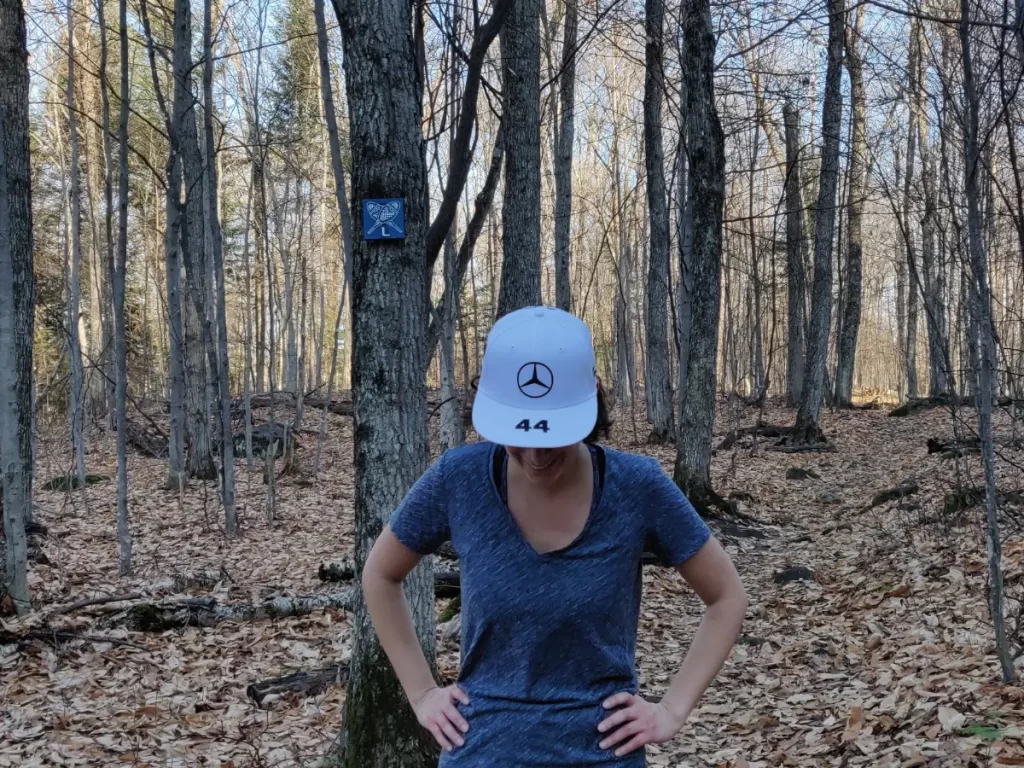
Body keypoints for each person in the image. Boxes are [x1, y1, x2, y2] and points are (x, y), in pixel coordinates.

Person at [361, 306, 747, 766]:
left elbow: (726, 596)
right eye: (519, 436)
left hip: (603, 751)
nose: (536, 456)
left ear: (593, 401)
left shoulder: (636, 486)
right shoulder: (457, 479)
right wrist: (423, 694)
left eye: (553, 437)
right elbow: (380, 575)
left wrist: (671, 710)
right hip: (483, 748)